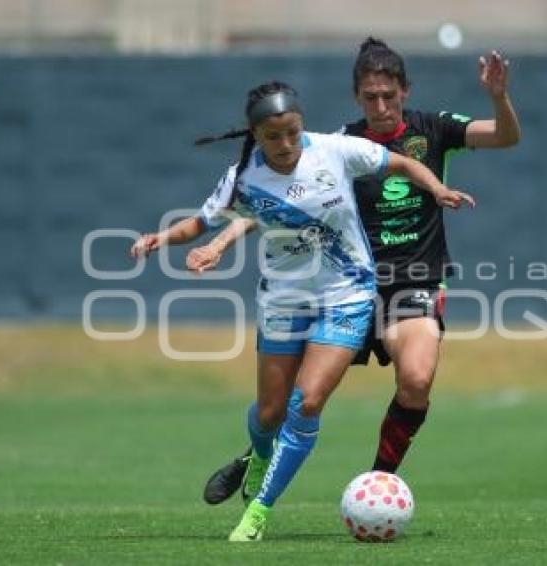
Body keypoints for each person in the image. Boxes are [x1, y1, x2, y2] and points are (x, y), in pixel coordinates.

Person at [131, 81, 474, 541]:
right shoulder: (244, 177)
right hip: (283, 301)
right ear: (255, 134)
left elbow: (403, 162)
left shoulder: (335, 151)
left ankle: (258, 513)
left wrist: (436, 187)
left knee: (306, 403)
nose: (286, 143)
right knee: (269, 414)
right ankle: (259, 455)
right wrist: (162, 239)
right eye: (273, 136)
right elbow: (201, 220)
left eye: (293, 132)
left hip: (346, 295)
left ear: (302, 124)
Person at [198, 37, 518, 506]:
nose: (381, 106)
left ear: (405, 91)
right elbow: (273, 204)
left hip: (413, 284)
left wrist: (498, 97)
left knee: (417, 380)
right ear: (357, 97)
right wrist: (220, 240)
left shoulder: (434, 129)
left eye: (389, 95)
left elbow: (505, 136)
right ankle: (256, 455)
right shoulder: (339, 145)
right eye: (371, 97)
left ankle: (377, 487)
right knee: (286, 403)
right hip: (345, 287)